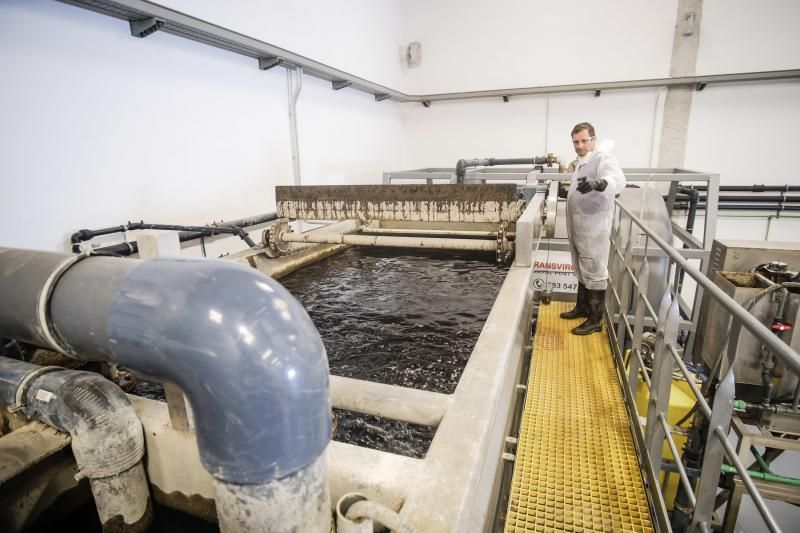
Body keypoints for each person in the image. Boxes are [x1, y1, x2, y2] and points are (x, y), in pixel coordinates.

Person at [560, 122, 626, 335]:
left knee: (595, 270)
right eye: (575, 142)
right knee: (581, 268)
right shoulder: (582, 163)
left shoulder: (602, 158)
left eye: (583, 141)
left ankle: (595, 320)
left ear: (593, 140)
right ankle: (582, 307)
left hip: (593, 229)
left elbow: (617, 179)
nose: (579, 146)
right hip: (579, 226)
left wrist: (601, 183)